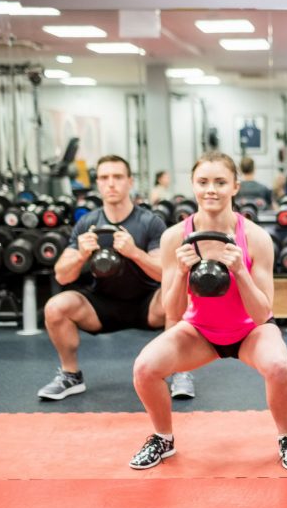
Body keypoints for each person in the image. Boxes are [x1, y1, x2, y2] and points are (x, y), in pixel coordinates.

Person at [128, 151, 287, 472]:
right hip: (200, 332)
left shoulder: (256, 238)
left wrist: (241, 272)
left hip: (250, 331)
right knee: (145, 367)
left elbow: (264, 312)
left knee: (278, 366)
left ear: (235, 186)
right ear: (193, 186)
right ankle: (163, 438)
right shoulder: (173, 238)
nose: (211, 189)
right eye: (203, 182)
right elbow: (173, 311)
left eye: (220, 182)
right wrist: (181, 273)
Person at [39, 156, 196, 400]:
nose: (111, 184)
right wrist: (81, 255)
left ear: (130, 182)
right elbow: (62, 275)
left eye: (118, 177)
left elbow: (168, 272)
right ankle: (70, 376)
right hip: (101, 306)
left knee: (179, 292)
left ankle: (179, 371)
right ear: (98, 184)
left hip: (147, 304)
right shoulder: (87, 223)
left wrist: (135, 253)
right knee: (56, 307)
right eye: (104, 178)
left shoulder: (150, 222)